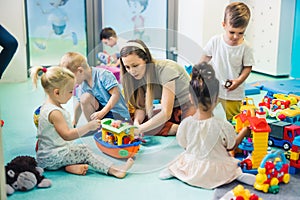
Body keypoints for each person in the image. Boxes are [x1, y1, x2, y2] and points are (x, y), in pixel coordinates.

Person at [158, 62, 256, 189]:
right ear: (216, 99)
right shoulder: (223, 125)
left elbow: (184, 145)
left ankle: (173, 171)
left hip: (194, 167)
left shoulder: (185, 124)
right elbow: (231, 146)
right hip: (216, 170)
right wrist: (244, 131)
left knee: (180, 161)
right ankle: (239, 176)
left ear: (191, 98)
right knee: (233, 168)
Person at [30, 65, 133, 178]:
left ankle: (70, 166)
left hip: (47, 154)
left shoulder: (47, 106)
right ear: (57, 93)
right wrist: (88, 126)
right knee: (85, 151)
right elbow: (67, 135)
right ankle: (115, 170)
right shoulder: (55, 113)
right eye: (70, 92)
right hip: (53, 157)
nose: (71, 96)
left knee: (77, 148)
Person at [119, 39, 196, 136]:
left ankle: (181, 129)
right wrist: (137, 125)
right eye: (127, 67)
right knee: (134, 121)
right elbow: (140, 107)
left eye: (135, 65)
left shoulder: (166, 69)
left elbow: (166, 113)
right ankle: (177, 128)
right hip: (172, 109)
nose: (132, 71)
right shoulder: (136, 76)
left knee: (151, 125)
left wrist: (141, 129)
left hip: (188, 105)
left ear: (146, 60)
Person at [199, 2, 254, 121]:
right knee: (212, 118)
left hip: (233, 94)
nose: (235, 36)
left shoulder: (246, 47)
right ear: (224, 25)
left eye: (241, 33)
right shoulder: (215, 41)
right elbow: (205, 58)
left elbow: (247, 67)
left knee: (232, 120)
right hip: (214, 90)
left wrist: (238, 81)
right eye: (232, 32)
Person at [59, 52, 130, 128]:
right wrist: (74, 122)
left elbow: (116, 95)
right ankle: (94, 127)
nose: (71, 81)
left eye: (72, 77)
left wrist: (102, 112)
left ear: (80, 71)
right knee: (84, 98)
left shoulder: (103, 75)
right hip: (102, 113)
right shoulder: (81, 85)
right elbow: (79, 104)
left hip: (117, 113)